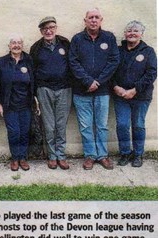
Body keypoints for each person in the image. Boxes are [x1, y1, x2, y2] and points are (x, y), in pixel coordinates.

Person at [69, 8, 120, 170]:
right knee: (85, 126)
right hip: (81, 91)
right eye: (90, 17)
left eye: (96, 17)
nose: (93, 20)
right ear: (85, 20)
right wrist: (87, 81)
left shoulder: (109, 38)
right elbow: (73, 62)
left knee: (102, 125)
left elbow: (114, 61)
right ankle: (90, 155)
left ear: (101, 20)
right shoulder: (77, 39)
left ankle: (103, 155)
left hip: (102, 91)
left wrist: (97, 82)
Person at [112, 21, 157, 167]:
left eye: (135, 31)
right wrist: (115, 87)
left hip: (141, 96)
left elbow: (151, 73)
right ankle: (125, 153)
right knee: (122, 125)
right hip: (121, 96)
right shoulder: (118, 50)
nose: (132, 33)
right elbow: (109, 70)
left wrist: (135, 90)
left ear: (141, 34)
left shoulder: (148, 51)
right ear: (125, 33)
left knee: (138, 125)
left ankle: (138, 155)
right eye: (129, 30)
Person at [30, 16, 72, 170]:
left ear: (56, 28)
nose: (48, 31)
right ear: (41, 31)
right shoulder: (36, 47)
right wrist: (35, 93)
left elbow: (73, 64)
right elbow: (32, 71)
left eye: (51, 27)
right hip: (44, 89)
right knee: (49, 125)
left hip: (64, 89)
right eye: (45, 28)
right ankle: (52, 156)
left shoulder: (65, 44)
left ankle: (61, 155)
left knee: (61, 124)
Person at [0, 35, 34, 171]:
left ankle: (23, 158)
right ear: (9, 46)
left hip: (26, 104)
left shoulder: (28, 60)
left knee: (24, 132)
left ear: (22, 45)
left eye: (19, 43)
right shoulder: (2, 62)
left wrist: (35, 99)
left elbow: (33, 80)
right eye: (13, 43)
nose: (16, 45)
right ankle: (15, 158)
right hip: (9, 105)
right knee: (14, 132)